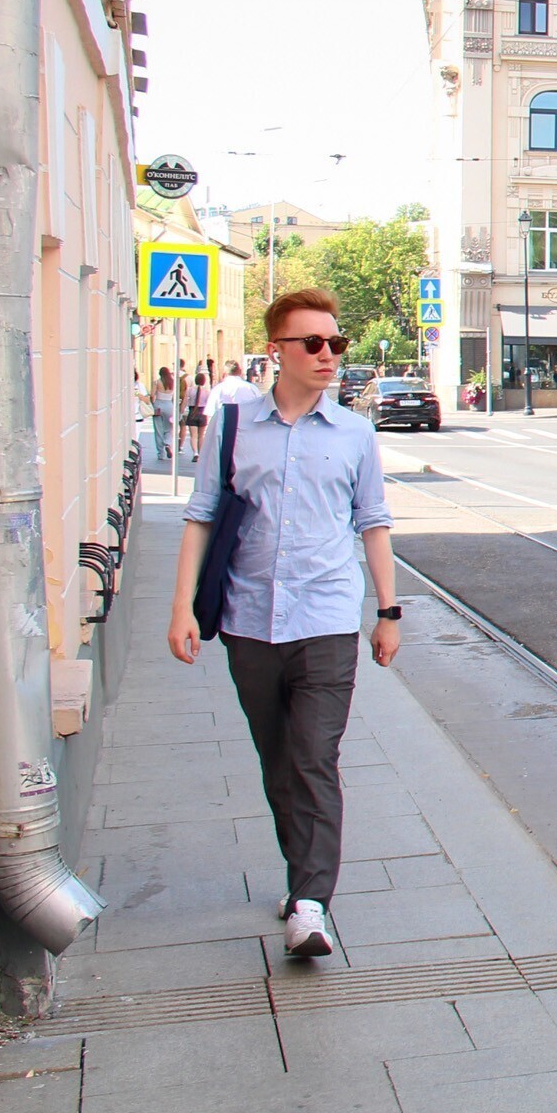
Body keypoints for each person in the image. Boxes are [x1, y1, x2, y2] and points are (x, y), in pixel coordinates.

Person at [167, 287, 398, 960]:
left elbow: (374, 525)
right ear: (279, 351)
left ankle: (310, 904)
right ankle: (302, 875)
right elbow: (201, 514)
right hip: (248, 619)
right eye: (314, 344)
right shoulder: (234, 425)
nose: (330, 355)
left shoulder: (355, 433)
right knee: (278, 762)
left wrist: (387, 613)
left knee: (313, 757)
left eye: (337, 343)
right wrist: (181, 606)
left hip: (327, 618)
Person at [181, 367, 212, 459]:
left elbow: (185, 401)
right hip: (202, 413)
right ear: (204, 381)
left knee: (193, 436)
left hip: (192, 412)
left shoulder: (190, 390)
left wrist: (182, 411)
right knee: (201, 436)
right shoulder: (206, 391)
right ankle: (201, 453)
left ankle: (195, 453)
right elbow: (209, 404)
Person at [150, 367, 178, 459]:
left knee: (158, 430)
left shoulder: (157, 382)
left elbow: (152, 395)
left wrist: (153, 404)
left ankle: (160, 454)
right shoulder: (173, 382)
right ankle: (167, 443)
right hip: (169, 405)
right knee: (169, 428)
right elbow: (175, 397)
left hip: (158, 405)